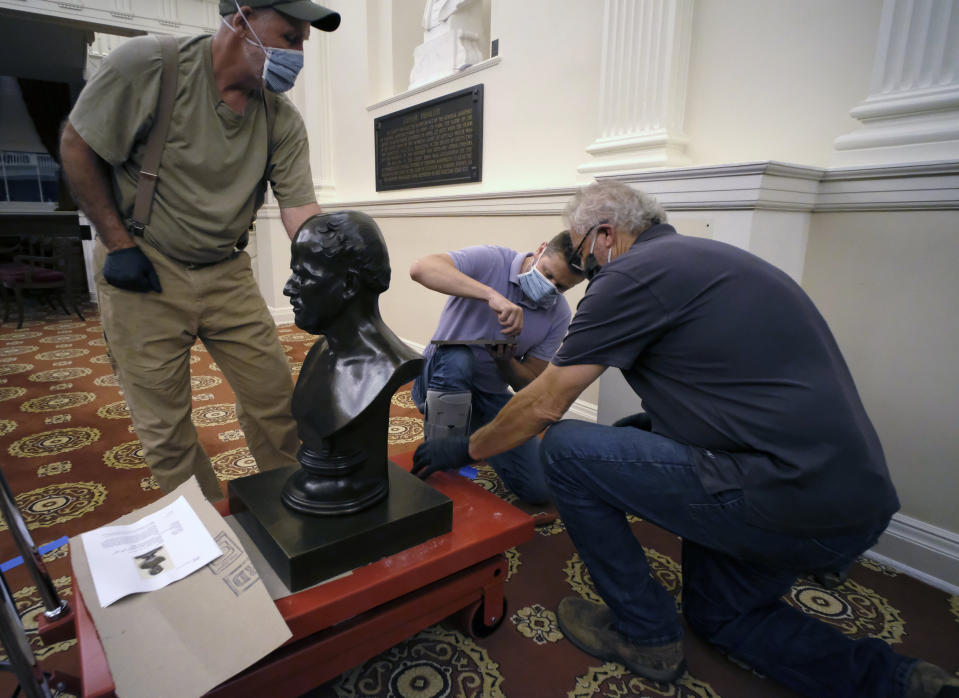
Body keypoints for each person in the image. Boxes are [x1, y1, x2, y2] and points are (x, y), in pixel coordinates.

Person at [412, 181, 959, 698]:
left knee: (567, 450)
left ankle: (645, 631)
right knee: (723, 618)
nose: (578, 270)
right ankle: (897, 681)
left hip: (770, 486)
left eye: (578, 252)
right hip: (847, 507)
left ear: (604, 235)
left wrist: (465, 449)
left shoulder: (626, 276)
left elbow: (548, 399)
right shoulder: (712, 261)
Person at [59, 0, 341, 502]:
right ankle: (209, 527)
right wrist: (117, 243)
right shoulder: (149, 66)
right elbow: (78, 147)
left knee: (275, 401)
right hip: (144, 266)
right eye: (290, 37)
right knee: (165, 426)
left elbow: (301, 211)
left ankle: (294, 506)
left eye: (303, 43)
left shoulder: (280, 119)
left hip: (228, 270)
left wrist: (340, 265)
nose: (298, 55)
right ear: (242, 18)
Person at [409, 231, 584, 504]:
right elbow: (421, 269)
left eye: (561, 287)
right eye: (548, 274)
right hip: (437, 375)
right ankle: (441, 457)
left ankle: (468, 433)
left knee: (541, 490)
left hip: (488, 394)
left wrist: (506, 361)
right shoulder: (493, 260)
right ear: (539, 250)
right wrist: (490, 295)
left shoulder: (559, 314)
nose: (551, 287)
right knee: (459, 357)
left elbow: (529, 383)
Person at [282, 211, 421, 515]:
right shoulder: (320, 352)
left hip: (357, 491)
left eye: (303, 275)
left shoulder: (387, 366)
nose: (288, 288)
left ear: (348, 284)